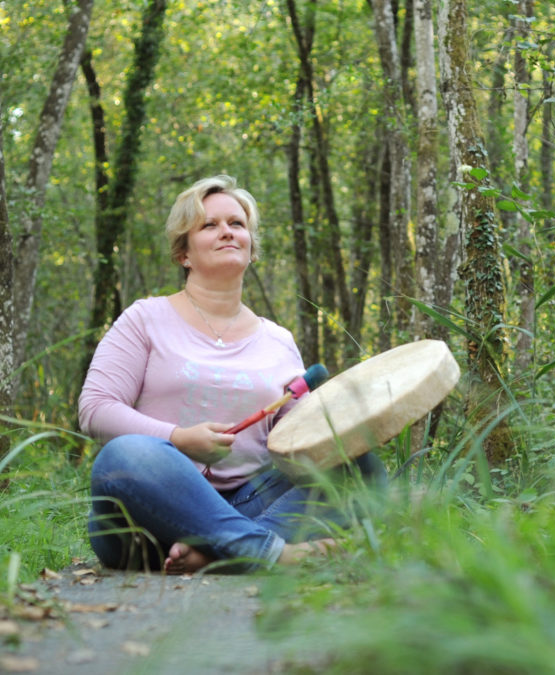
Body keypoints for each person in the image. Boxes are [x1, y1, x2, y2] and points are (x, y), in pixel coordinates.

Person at [79, 175, 385, 574]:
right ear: (183, 254)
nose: (226, 232)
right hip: (147, 520)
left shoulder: (277, 340)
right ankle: (275, 554)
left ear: (251, 247)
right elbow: (94, 409)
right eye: (209, 225)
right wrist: (179, 439)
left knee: (358, 463)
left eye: (236, 224)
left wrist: (357, 421)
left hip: (252, 501)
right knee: (124, 455)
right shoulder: (145, 318)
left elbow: (304, 442)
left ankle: (224, 554)